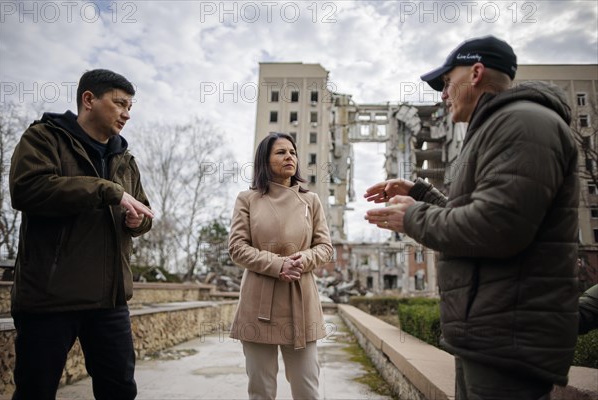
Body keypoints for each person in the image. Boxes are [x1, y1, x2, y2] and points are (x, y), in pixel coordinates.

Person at [364, 35, 579, 399]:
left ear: (476, 72)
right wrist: (419, 194)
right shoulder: (497, 127)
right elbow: (478, 216)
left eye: (447, 84)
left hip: (508, 345)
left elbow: (498, 228)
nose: (443, 95)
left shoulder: (524, 123)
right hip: (490, 340)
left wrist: (413, 218)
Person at [9, 69, 154, 400]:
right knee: (35, 392)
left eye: (130, 106)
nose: (127, 114)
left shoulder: (124, 159)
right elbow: (27, 190)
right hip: (49, 297)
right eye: (119, 104)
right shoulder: (45, 137)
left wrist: (137, 223)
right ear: (89, 99)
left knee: (119, 390)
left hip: (111, 301)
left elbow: (144, 211)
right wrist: (106, 191)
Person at [228, 132, 333, 399]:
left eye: (293, 152)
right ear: (265, 159)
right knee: (261, 390)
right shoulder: (247, 199)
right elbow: (237, 248)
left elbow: (325, 248)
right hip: (258, 304)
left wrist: (302, 260)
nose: (290, 157)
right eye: (281, 152)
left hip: (302, 302)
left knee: (307, 388)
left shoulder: (311, 201)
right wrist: (277, 265)